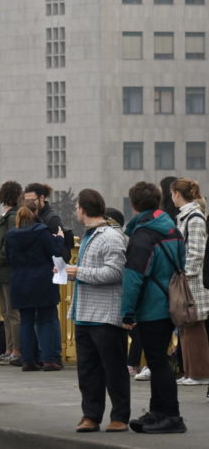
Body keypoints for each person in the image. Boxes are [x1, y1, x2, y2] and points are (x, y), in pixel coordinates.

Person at [121, 181, 187, 434]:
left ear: (134, 204)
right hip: (169, 301)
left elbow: (134, 277)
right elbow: (180, 263)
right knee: (158, 359)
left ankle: (171, 416)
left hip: (151, 306)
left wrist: (127, 311)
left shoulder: (143, 235)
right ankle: (158, 412)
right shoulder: (172, 229)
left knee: (158, 362)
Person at [66, 189, 130, 433]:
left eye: (77, 207)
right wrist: (73, 272)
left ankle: (120, 417)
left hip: (105, 316)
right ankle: (91, 415)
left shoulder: (110, 237)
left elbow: (115, 273)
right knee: (88, 370)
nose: (75, 211)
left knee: (113, 369)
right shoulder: (91, 236)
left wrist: (78, 272)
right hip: (84, 314)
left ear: (83, 208)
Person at [5, 204, 65, 372]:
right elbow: (55, 253)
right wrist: (59, 238)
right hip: (42, 280)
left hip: (19, 282)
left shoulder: (11, 235)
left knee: (26, 321)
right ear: (35, 214)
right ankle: (48, 359)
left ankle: (28, 360)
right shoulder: (41, 231)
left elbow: (8, 258)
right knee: (46, 318)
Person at [170, 178, 209, 386]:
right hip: (187, 279)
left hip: (191, 281)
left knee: (193, 325)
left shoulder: (193, 217)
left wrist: (185, 273)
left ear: (177, 194)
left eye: (172, 193)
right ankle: (191, 372)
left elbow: (196, 251)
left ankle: (199, 373)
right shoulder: (188, 216)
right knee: (186, 325)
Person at [0, 181, 23, 365]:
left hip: (4, 269)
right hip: (1, 269)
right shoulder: (9, 215)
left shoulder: (11, 217)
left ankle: (15, 349)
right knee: (6, 311)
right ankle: (10, 349)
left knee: (11, 312)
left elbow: (8, 243)